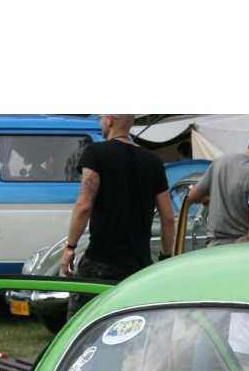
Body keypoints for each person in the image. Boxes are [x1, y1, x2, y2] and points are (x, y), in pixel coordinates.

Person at [63, 114, 175, 282]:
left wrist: (70, 248)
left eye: (101, 118)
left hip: (101, 262)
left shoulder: (95, 152)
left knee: (87, 308)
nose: (101, 123)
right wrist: (166, 255)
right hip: (139, 266)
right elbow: (167, 217)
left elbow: (84, 205)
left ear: (110, 120)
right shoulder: (153, 161)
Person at [184, 122, 249, 247]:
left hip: (213, 247)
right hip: (242, 249)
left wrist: (211, 198)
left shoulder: (220, 162)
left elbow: (193, 196)